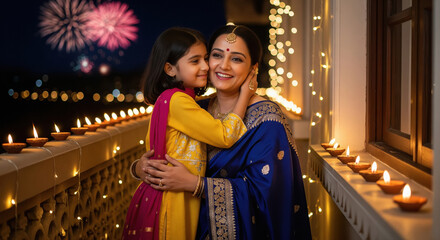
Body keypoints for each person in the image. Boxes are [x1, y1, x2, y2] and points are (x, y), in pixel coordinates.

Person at [136, 25, 312, 239]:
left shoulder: (267, 119)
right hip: (181, 226)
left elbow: (270, 196)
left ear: (253, 69)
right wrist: (140, 168)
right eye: (216, 56)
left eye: (236, 59)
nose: (224, 66)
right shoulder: (196, 108)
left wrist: (196, 184)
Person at [122, 27, 257, 240]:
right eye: (195, 61)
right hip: (174, 199)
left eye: (205, 58)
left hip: (168, 193)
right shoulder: (179, 102)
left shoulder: (173, 100)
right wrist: (245, 95)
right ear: (170, 69)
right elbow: (224, 136)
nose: (206, 67)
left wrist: (139, 167)